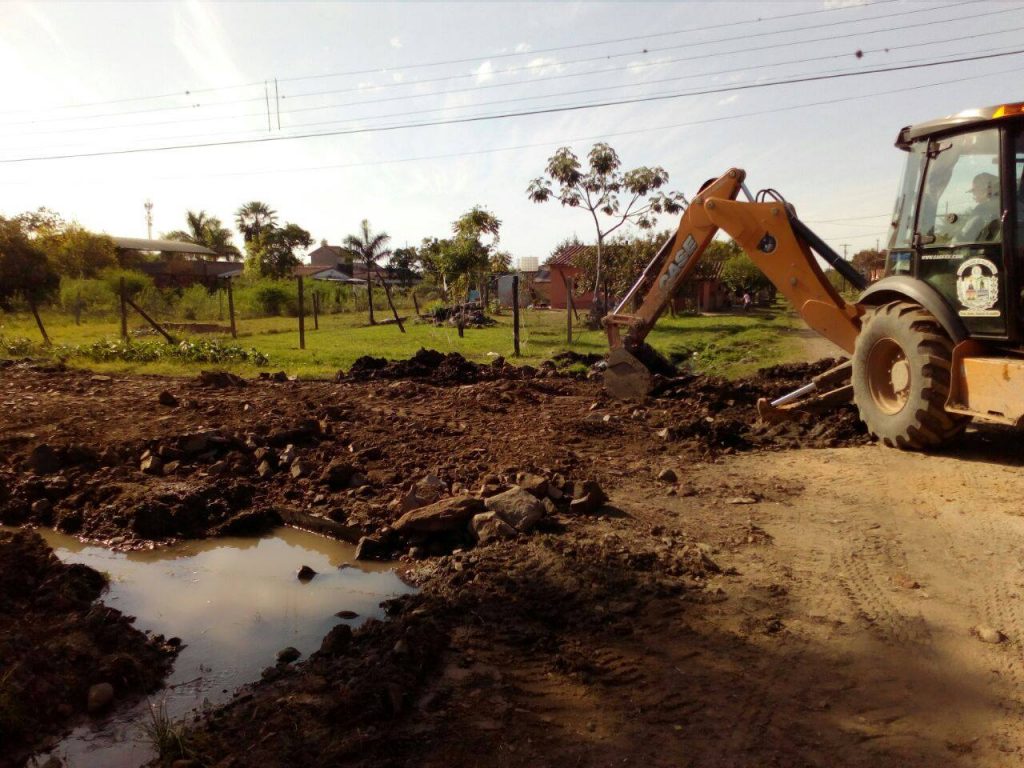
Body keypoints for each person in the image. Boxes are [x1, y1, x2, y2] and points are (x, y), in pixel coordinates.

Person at [957, 172, 1001, 243]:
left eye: (975, 191)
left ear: (987, 190)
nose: (974, 196)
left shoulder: (981, 210)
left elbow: (963, 237)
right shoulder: (1012, 206)